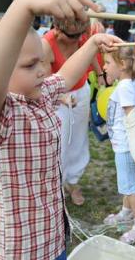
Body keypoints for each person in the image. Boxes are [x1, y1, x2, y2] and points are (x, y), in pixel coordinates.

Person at [0, 0, 120, 259]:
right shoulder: (0, 117)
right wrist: (24, 4)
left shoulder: (41, 94)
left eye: (43, 62)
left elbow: (66, 76)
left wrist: (93, 44)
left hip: (52, 237)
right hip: (20, 251)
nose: (44, 70)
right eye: (30, 65)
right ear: (0, 69)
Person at [42, 17, 105, 206]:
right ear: (58, 30)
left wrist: (100, 74)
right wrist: (61, 98)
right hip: (58, 97)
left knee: (79, 139)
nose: (77, 39)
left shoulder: (80, 37)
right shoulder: (46, 45)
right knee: (60, 143)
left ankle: (73, 182)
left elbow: (89, 53)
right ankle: (56, 186)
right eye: (73, 36)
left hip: (81, 92)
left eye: (80, 35)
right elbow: (44, 85)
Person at [102, 47, 135, 244]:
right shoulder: (130, 83)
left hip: (126, 147)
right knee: (127, 182)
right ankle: (126, 212)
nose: (104, 67)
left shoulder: (124, 87)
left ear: (122, 65)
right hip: (124, 145)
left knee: (130, 187)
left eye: (107, 63)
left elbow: (133, 119)